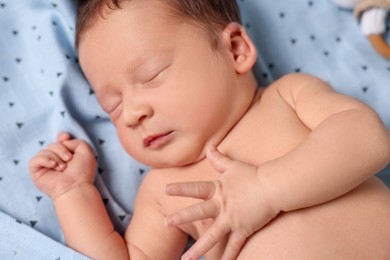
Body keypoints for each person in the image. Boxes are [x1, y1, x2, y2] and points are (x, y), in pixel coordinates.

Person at [29, 0, 390, 259]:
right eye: (113, 106)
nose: (132, 114)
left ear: (235, 50)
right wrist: (72, 194)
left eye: (151, 75)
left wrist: (267, 189)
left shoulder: (287, 97)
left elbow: (366, 136)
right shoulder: (164, 190)